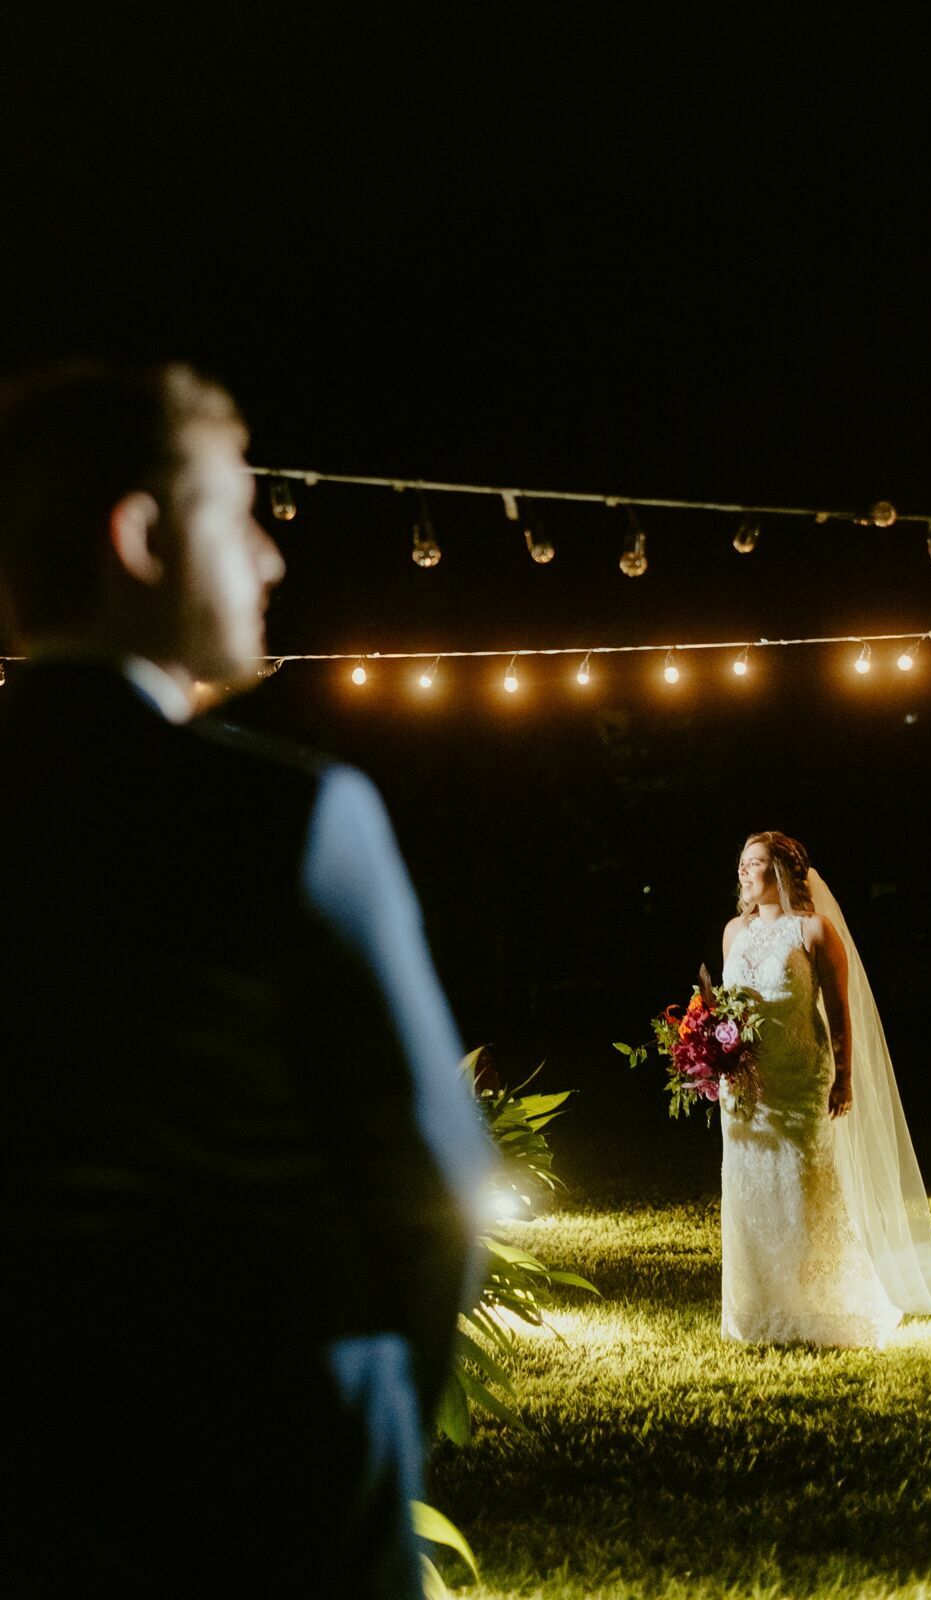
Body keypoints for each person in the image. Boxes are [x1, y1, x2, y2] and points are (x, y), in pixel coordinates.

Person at [0, 361, 490, 1597]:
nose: (272, 560)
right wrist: (356, 1462)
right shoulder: (293, 817)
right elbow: (437, 1196)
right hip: (275, 1508)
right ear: (144, 535)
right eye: (242, 512)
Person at [719, 831, 931, 1347]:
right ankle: (759, 1309)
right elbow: (724, 1010)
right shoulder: (734, 932)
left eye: (754, 863)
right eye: (740, 863)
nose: (743, 871)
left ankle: (818, 1304)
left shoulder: (814, 931)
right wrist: (711, 1053)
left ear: (780, 872)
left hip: (800, 1078)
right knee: (748, 1192)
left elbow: (840, 1014)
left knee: (801, 1190)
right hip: (745, 1091)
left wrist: (844, 1076)